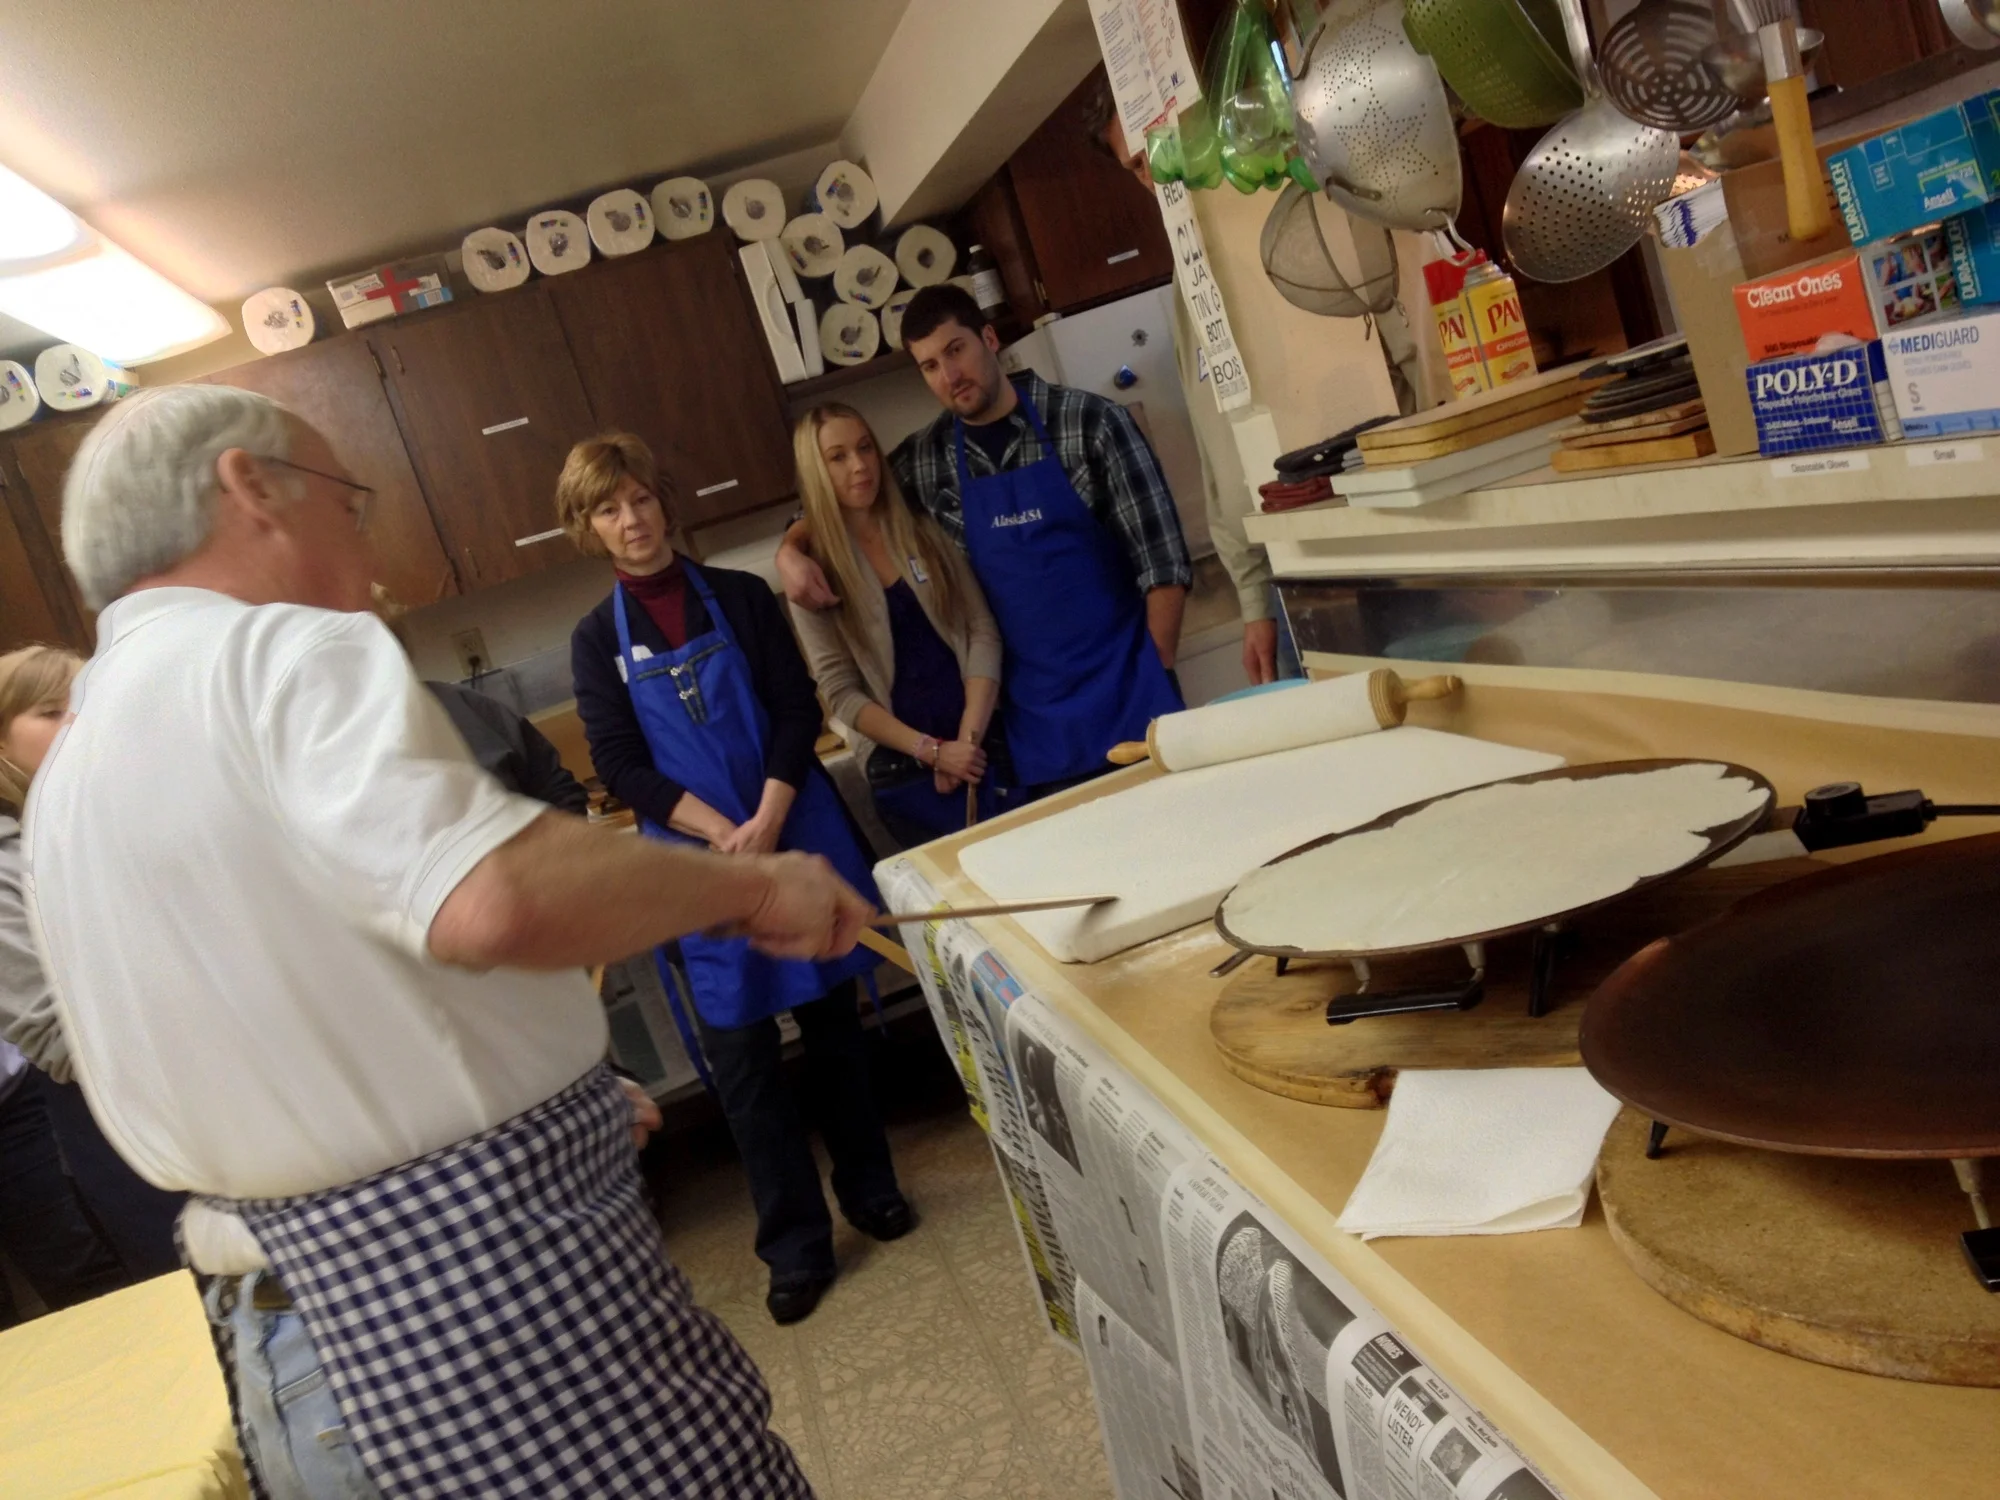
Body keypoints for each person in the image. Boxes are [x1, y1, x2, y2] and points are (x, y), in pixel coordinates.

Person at [35, 384, 873, 1498]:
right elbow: (490, 897)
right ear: (250, 490)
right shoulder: (278, 654)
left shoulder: (73, 763)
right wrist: (754, 890)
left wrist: (553, 1085)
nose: (365, 535)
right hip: (465, 1296)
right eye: (348, 498)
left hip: (287, 1337)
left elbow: (311, 1004)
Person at [561, 432, 911, 1327]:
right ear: (588, 525)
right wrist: (721, 833)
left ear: (664, 500)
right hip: (697, 870)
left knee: (837, 1030)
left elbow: (797, 709)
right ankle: (794, 1247)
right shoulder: (598, 640)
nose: (631, 520)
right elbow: (618, 762)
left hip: (791, 829)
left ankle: (871, 1192)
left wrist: (765, 816)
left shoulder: (748, 598)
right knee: (745, 1065)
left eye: (640, 498)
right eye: (609, 508)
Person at [776, 283, 1191, 797]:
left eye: (956, 350)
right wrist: (789, 550)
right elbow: (836, 495)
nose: (950, 376)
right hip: (1030, 728)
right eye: (929, 366)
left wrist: (1154, 671)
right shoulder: (926, 461)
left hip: (1132, 698)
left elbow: (1165, 565)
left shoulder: (1090, 422)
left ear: (989, 338)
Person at [1081, 79, 1303, 685]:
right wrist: (1255, 601)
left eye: (1161, 146)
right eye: (1137, 165)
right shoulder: (1189, 280)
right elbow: (1216, 448)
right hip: (1283, 578)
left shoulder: (1288, 215)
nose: (1158, 174)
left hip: (1353, 544)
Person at [0, 643, 185, 1289]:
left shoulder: (126, 819)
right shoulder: (7, 864)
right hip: (130, 1129)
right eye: (52, 712)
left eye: (89, 706)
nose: (78, 724)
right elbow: (56, 1038)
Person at [790, 402, 1005, 845]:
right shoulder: (811, 571)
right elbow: (841, 693)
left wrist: (964, 745)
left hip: (982, 747)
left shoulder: (920, 529)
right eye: (838, 457)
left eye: (865, 448)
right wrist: (932, 753)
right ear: (816, 472)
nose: (860, 465)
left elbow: (980, 627)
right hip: (904, 773)